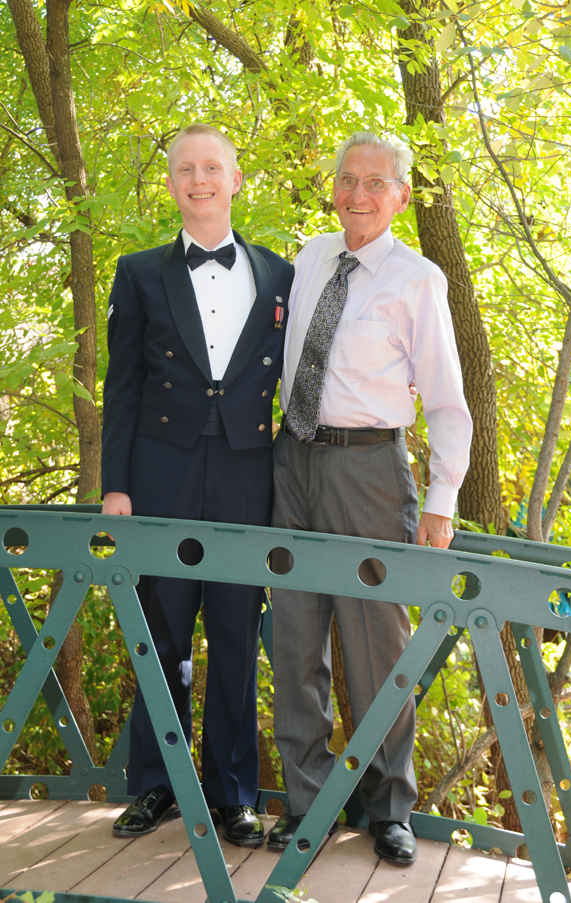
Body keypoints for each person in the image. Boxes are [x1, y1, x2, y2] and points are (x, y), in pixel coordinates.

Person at [268, 132, 473, 865]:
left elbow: (449, 401)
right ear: (334, 186)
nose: (357, 194)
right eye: (347, 179)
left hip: (370, 469)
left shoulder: (419, 279)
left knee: (375, 642)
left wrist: (443, 500)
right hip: (291, 460)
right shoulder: (310, 256)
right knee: (292, 637)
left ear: (402, 196)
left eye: (375, 183)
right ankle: (309, 801)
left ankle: (389, 805)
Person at [101, 123, 294, 847]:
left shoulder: (280, 274)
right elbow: (122, 386)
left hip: (249, 471)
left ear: (235, 179)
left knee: (238, 632)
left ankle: (233, 794)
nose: (199, 178)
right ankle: (156, 783)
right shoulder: (138, 272)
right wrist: (115, 485)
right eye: (186, 168)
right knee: (161, 629)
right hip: (161, 470)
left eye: (212, 166)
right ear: (173, 183)